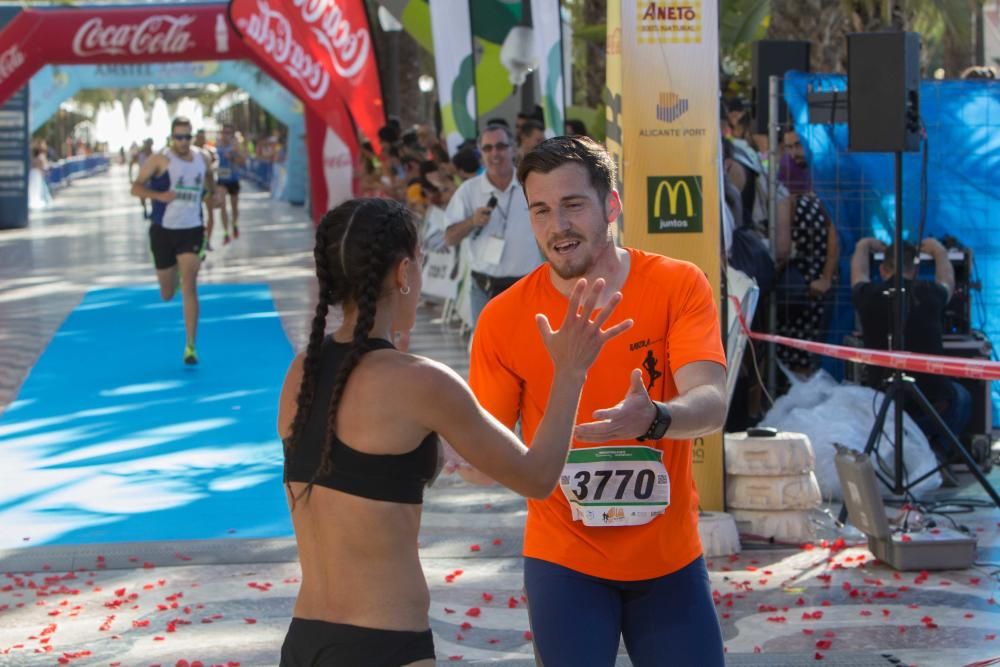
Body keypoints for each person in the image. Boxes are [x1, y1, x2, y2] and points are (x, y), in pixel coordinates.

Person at [276, 196, 631, 665]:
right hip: (384, 644)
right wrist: (569, 374)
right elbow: (539, 475)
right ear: (404, 273)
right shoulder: (421, 382)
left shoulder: (301, 372)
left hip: (304, 642)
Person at [466, 136, 728, 665]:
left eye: (573, 205)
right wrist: (461, 454)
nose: (557, 226)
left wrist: (656, 418)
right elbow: (486, 449)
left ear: (611, 205)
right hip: (564, 560)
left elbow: (712, 401)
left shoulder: (678, 285)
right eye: (541, 210)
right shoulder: (504, 317)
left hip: (669, 559)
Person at [851, 236, 969, 485]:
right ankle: (935, 453)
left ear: (883, 269)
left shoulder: (868, 295)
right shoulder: (930, 293)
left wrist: (863, 245)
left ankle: (909, 457)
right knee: (961, 396)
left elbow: (858, 275)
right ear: (915, 270)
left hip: (884, 407)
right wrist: (938, 251)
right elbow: (947, 281)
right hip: (932, 408)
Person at [130, 117, 215, 365]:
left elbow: (210, 182)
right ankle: (173, 274)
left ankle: (190, 346)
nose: (183, 142)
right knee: (167, 293)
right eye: (179, 137)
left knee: (190, 285)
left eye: (187, 137)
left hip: (192, 230)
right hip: (163, 230)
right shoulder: (160, 160)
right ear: (171, 137)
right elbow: (135, 188)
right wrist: (159, 196)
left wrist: (214, 195)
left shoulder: (203, 158)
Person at [444, 124, 542, 325]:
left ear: (513, 149)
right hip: (484, 290)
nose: (495, 153)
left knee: (529, 351)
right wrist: (472, 221)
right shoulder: (468, 191)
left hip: (528, 288)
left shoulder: (532, 185)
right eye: (488, 148)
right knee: (488, 354)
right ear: (480, 153)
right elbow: (449, 238)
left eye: (501, 146)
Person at [216, 123, 247, 243]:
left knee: (234, 206)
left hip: (233, 179)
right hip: (222, 179)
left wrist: (233, 156)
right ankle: (225, 232)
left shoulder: (236, 146)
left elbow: (243, 161)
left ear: (232, 134)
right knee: (222, 205)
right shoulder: (217, 144)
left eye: (228, 132)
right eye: (224, 132)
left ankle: (234, 224)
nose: (225, 135)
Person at [128, 138, 155, 219]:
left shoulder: (155, 155)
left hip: (152, 179)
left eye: (150, 144)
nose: (148, 146)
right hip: (142, 179)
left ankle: (153, 212)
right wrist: (130, 177)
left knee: (153, 196)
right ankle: (145, 210)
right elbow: (131, 163)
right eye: (147, 144)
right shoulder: (140, 155)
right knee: (142, 196)